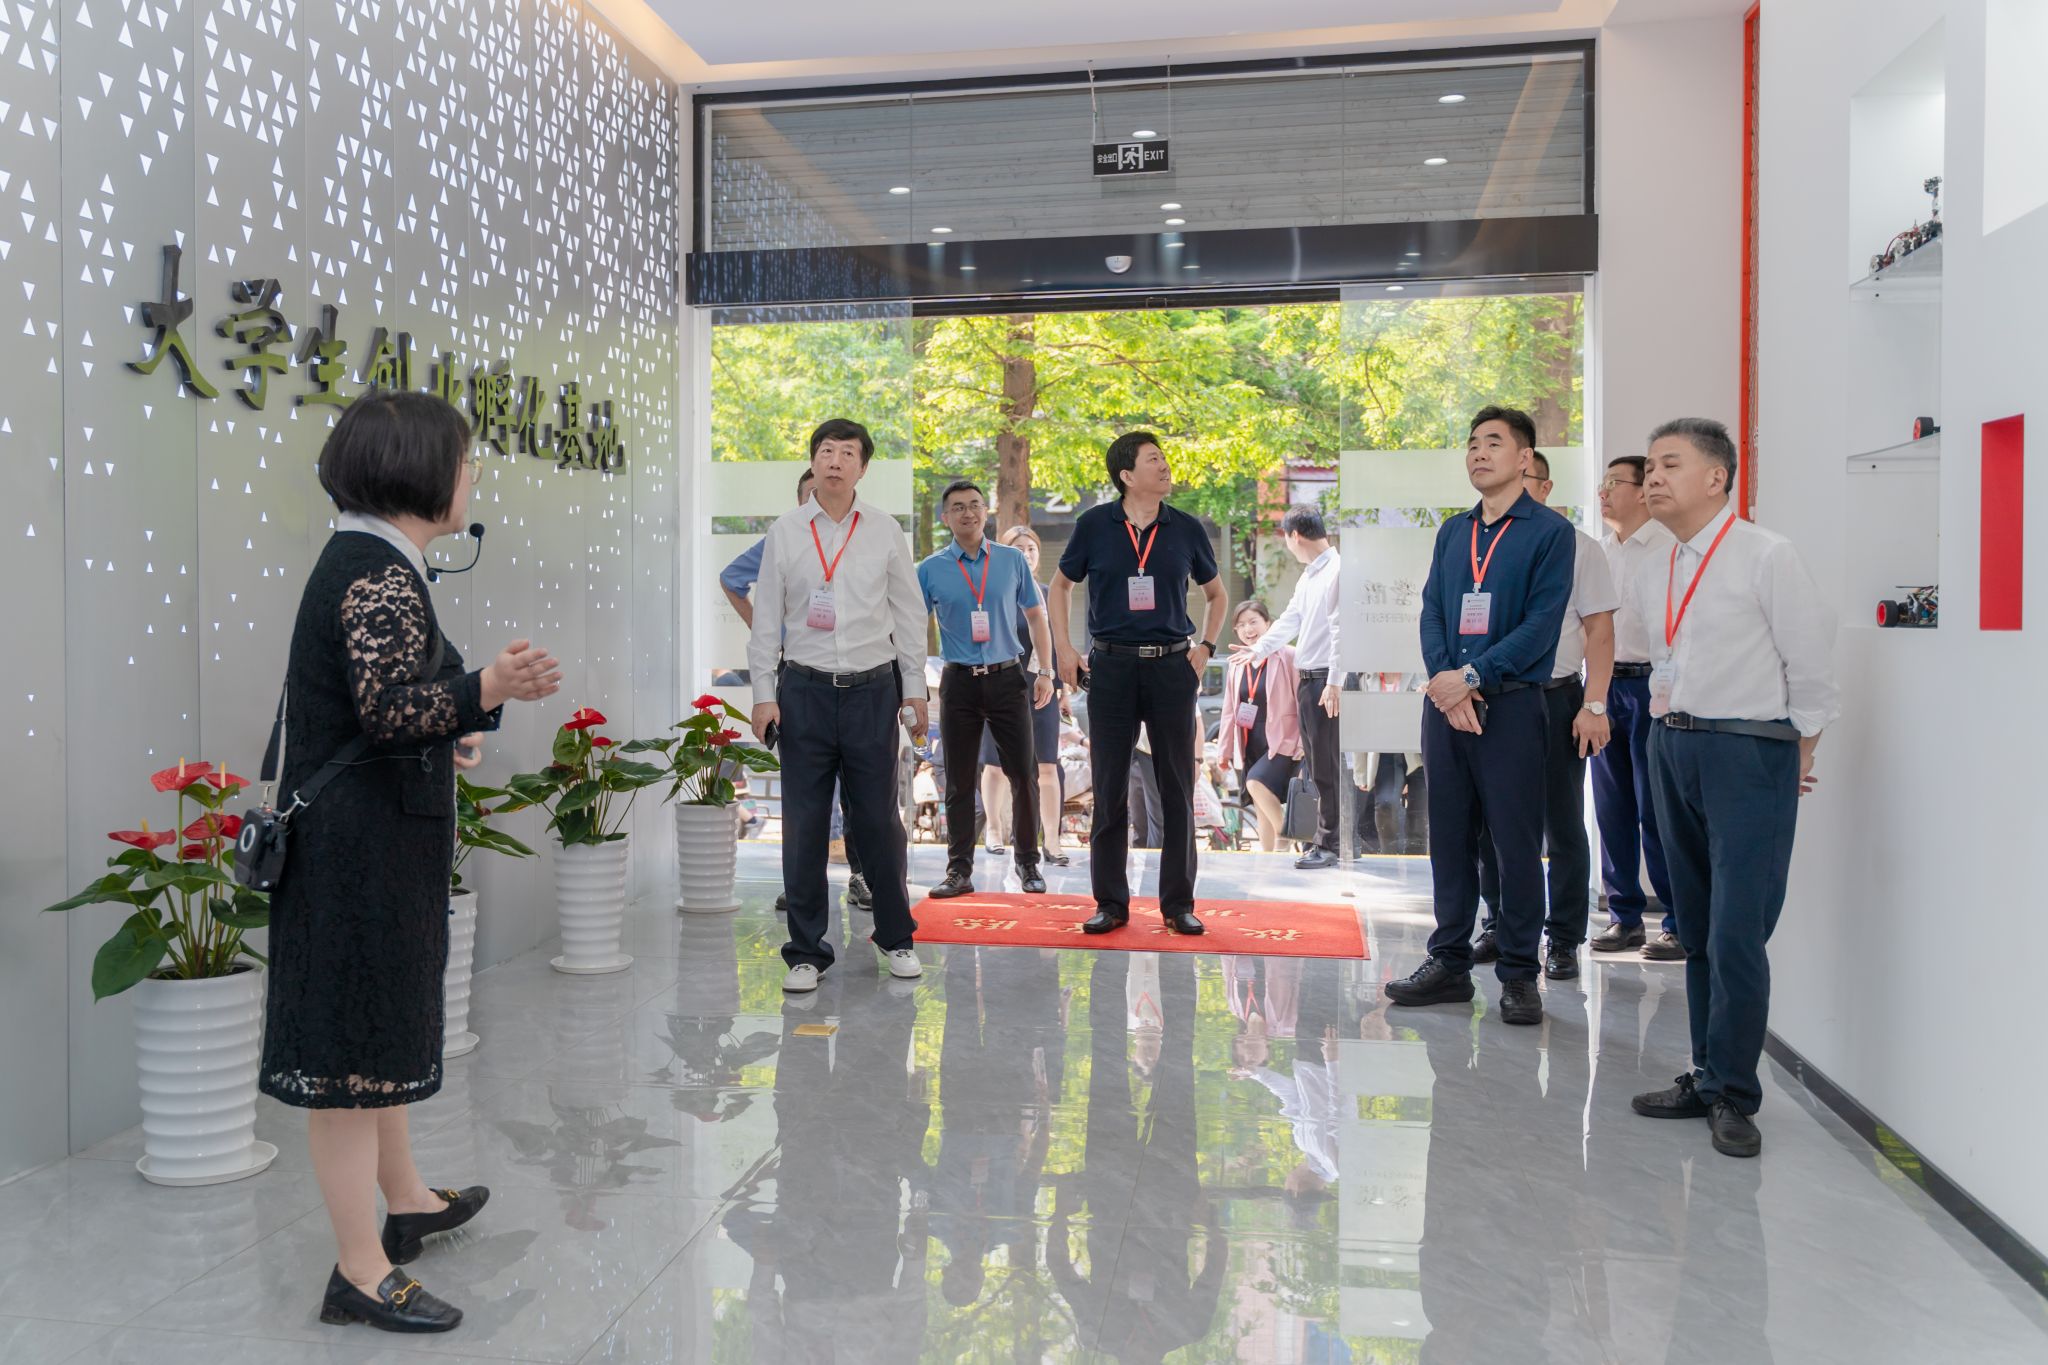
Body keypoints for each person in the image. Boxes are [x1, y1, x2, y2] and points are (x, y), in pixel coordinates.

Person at [261, 391, 562, 1333]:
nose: (471, 478)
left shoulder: (373, 559)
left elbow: (386, 702)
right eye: (465, 462)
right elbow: (390, 709)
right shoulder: (376, 573)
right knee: (353, 1061)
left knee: (377, 1040)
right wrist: (487, 686)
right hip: (357, 856)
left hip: (369, 844)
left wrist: (465, 713)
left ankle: (409, 1200)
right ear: (419, 471)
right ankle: (360, 1270)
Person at [1627, 417, 1837, 1158]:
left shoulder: (1766, 554)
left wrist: (1794, 752)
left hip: (1748, 750)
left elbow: (1812, 670)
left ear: (1716, 477)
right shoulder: (1658, 562)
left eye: (1669, 464)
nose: (1653, 477)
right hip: (1672, 743)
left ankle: (1735, 1095)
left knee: (1737, 930)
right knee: (1694, 924)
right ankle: (1706, 1072)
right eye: (1649, 465)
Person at [1384, 406, 1574, 1027]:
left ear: (1525, 458)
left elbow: (1540, 625)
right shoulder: (1453, 532)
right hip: (1446, 708)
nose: (1478, 453)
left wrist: (1471, 677)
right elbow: (1433, 612)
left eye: (1494, 443)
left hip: (1512, 705)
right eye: (1471, 444)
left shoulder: (1550, 533)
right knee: (1449, 838)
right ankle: (1448, 962)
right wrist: (1448, 685)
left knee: (1515, 844)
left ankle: (1519, 973)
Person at [746, 418, 928, 991]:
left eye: (848, 453)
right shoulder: (785, 531)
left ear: (862, 468)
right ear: (813, 461)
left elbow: (909, 611)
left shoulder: (883, 530)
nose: (835, 461)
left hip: (873, 691)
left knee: (878, 822)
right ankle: (805, 952)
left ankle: (897, 938)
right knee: (803, 824)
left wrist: (915, 688)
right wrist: (763, 695)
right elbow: (766, 618)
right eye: (826, 451)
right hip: (803, 691)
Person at [1049, 432, 1227, 936]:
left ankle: (1178, 904)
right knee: (1109, 789)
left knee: (1177, 789)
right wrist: (1064, 648)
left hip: (1172, 668)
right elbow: (1060, 586)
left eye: (1164, 458)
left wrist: (1206, 647)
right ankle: (1111, 903)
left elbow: (1217, 595)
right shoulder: (1093, 525)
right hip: (1111, 668)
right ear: (1126, 475)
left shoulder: (1186, 528)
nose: (1166, 466)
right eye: (1154, 460)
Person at [1471, 449, 1617, 980]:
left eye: (1525, 477)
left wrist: (1594, 704)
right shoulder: (1478, 543)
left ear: (1545, 486)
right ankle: (1501, 923)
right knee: (1492, 823)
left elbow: (1600, 631)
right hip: (1493, 697)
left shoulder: (1578, 546)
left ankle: (1563, 937)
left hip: (1554, 697)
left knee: (1561, 824)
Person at [721, 468, 870, 914]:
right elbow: (731, 578)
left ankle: (861, 876)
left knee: (858, 785)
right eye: (812, 495)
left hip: (857, 674)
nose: (822, 500)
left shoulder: (863, 538)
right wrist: (768, 630)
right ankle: (804, 883)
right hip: (801, 673)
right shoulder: (781, 540)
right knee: (806, 787)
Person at [918, 479, 1057, 897]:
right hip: (958, 681)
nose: (968, 512)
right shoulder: (930, 568)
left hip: (1007, 678)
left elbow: (1037, 616)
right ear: (946, 517)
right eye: (958, 507)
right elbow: (912, 626)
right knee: (959, 780)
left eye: (975, 505)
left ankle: (1028, 864)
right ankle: (958, 870)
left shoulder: (1011, 560)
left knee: (1024, 775)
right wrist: (911, 680)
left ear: (986, 512)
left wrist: (1045, 670)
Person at [1591, 453, 1683, 960]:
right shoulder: (1598, 552)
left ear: (1643, 491)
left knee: (1658, 810)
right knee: (1612, 808)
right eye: (1602, 484)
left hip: (1655, 687)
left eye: (1614, 483)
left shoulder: (1671, 550)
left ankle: (1677, 921)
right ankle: (1623, 917)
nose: (1603, 493)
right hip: (1605, 686)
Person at [1239, 504, 1344, 867]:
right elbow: (1289, 620)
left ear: (1295, 536)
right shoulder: (1309, 576)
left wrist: (1335, 681)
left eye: (1285, 538)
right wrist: (1258, 649)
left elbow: (1340, 631)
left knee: (1326, 765)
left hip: (1325, 680)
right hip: (1309, 680)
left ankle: (1331, 843)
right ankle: (1324, 840)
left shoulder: (1336, 571)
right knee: (1317, 766)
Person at [976, 524, 1071, 866]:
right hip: (999, 686)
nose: (1027, 554)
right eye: (1018, 548)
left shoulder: (1047, 594)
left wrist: (1063, 688)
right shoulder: (993, 593)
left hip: (1042, 686)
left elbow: (1059, 645)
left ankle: (1053, 840)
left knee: (1047, 765)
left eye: (1031, 549)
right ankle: (994, 830)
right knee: (995, 764)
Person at [1216, 600, 1303, 853]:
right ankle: (1270, 860)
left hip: (1283, 740)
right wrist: (1224, 751)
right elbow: (1229, 711)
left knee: (1255, 784)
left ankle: (1286, 832)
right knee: (1260, 806)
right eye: (1241, 625)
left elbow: (1302, 702)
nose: (1248, 629)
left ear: (1269, 624)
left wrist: (1303, 742)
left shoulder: (1288, 656)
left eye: (1253, 622)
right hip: (1250, 739)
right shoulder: (1237, 662)